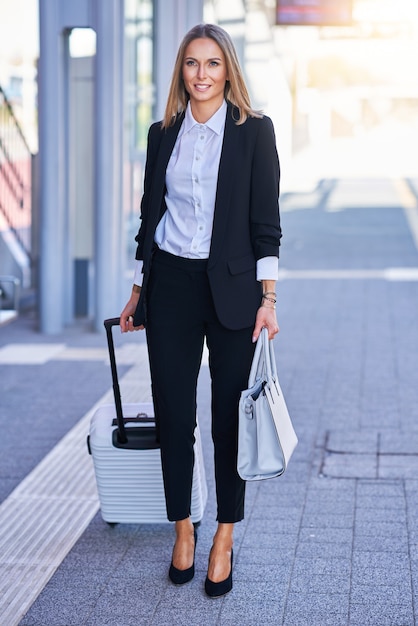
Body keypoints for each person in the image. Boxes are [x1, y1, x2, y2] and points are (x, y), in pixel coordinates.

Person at [120, 23, 281, 597]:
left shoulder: (254, 133)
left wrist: (269, 299)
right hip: (172, 286)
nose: (202, 74)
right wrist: (139, 288)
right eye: (192, 63)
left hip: (234, 291)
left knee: (227, 422)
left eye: (213, 64)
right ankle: (184, 528)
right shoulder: (162, 133)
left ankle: (224, 537)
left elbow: (266, 223)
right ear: (181, 72)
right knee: (175, 415)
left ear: (228, 70)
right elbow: (149, 217)